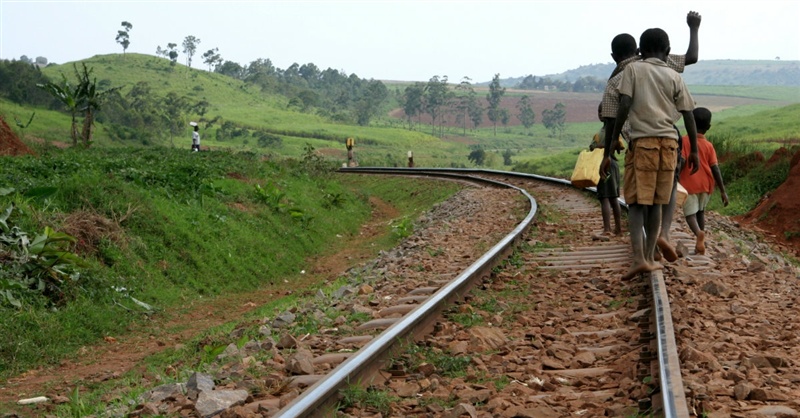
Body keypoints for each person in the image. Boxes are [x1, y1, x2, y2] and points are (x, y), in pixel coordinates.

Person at [600, 11, 701, 262]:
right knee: (663, 195)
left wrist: (609, 147)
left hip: (640, 141)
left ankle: (645, 252)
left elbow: (612, 116)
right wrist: (694, 27)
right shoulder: (668, 67)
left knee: (638, 199)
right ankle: (662, 235)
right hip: (671, 140)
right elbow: (692, 58)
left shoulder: (618, 79)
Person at [678, 107, 729, 254]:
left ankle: (698, 234)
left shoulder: (685, 141)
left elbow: (681, 161)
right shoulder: (709, 146)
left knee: (690, 215)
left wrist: (675, 178)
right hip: (706, 184)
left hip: (689, 185)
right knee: (701, 212)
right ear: (708, 127)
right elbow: (715, 168)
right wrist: (723, 191)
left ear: (690, 123)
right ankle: (700, 243)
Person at [590, 104, 623, 236]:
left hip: (604, 166)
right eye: (598, 111)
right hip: (614, 165)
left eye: (602, 111)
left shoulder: (599, 134)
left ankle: (607, 229)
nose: (600, 114)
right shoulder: (616, 132)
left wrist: (601, 146)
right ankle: (618, 229)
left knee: (604, 197)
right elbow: (620, 147)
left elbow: (593, 148)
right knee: (614, 197)